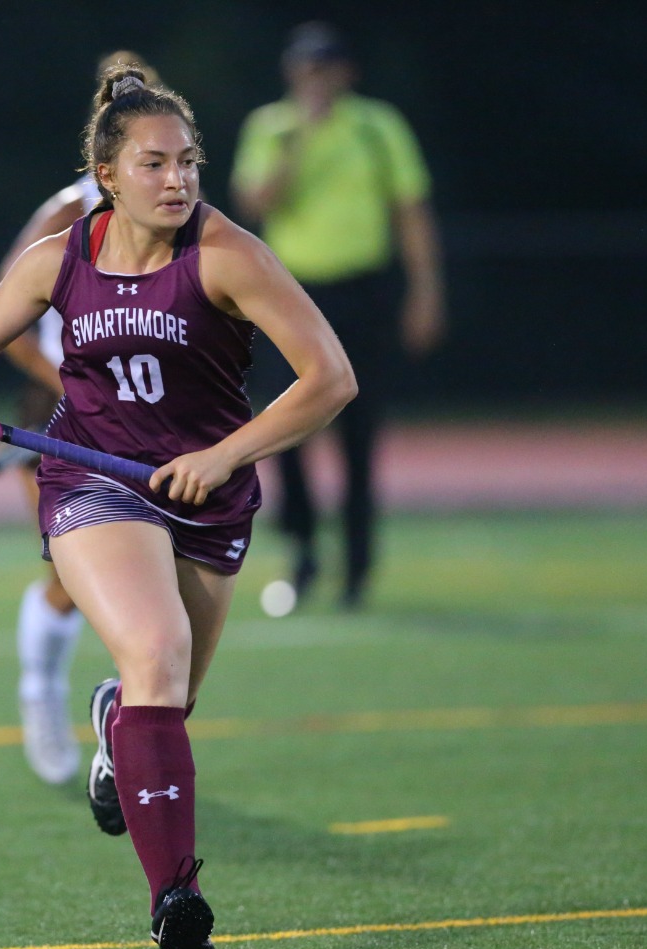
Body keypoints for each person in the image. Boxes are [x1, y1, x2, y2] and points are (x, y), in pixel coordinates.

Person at [0, 64, 356, 949]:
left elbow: (330, 379)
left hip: (208, 496)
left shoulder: (227, 254)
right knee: (156, 649)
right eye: (155, 164)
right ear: (107, 176)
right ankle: (174, 902)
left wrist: (224, 456)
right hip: (94, 479)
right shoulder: (61, 257)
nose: (178, 180)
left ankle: (117, 720)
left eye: (188, 161)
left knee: (168, 697)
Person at [231, 20, 446, 610]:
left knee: (359, 428)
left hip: (362, 291)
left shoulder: (377, 126)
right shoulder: (271, 128)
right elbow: (255, 204)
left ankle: (357, 568)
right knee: (282, 428)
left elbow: (410, 211)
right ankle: (302, 553)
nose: (316, 79)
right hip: (290, 296)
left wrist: (425, 292)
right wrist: (298, 140)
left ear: (346, 72)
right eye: (307, 68)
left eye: (325, 67)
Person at [0, 51, 160, 788]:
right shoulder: (67, 215)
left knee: (166, 585)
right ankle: (42, 693)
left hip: (153, 411)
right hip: (62, 407)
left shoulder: (180, 214)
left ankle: (124, 728)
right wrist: (73, 384)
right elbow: (4, 323)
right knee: (70, 572)